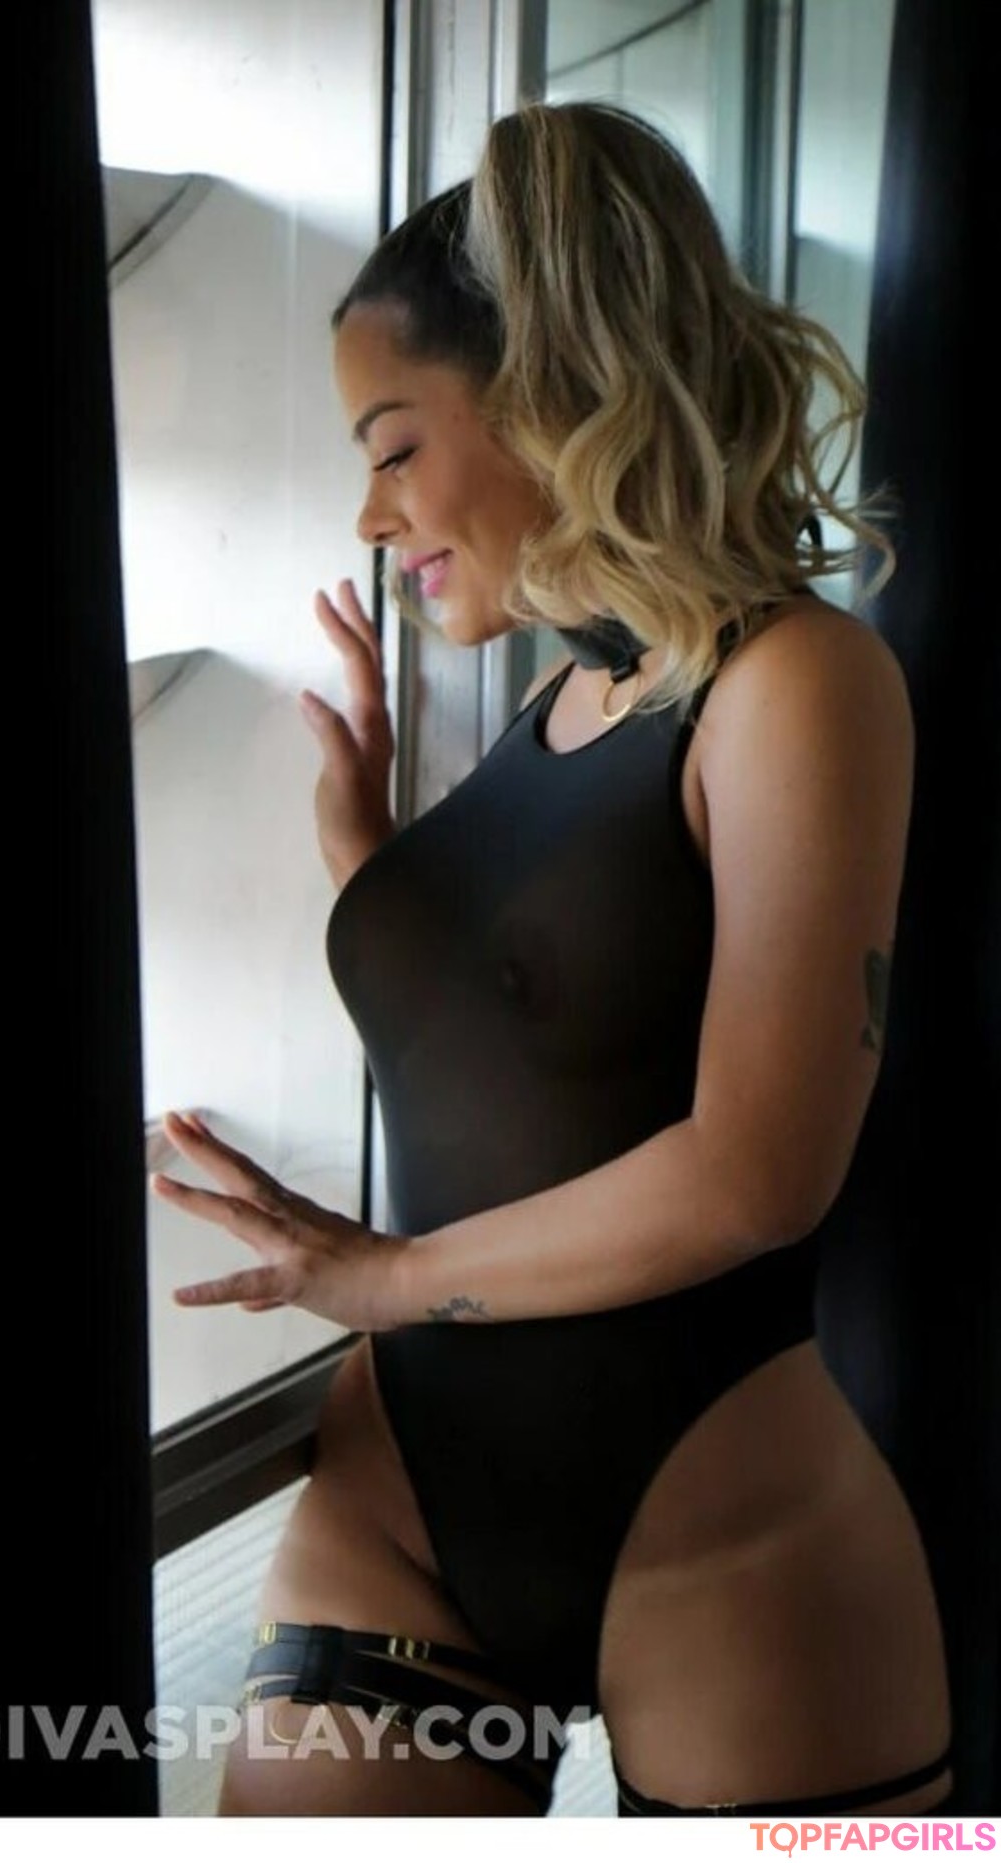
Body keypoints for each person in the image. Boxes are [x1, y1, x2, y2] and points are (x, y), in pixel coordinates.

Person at [152, 101, 954, 1818]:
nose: (371, 514)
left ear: (545, 398)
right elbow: (542, 1038)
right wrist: (368, 850)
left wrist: (379, 1280)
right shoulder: (565, 694)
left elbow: (758, 1172)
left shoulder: (801, 682)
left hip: (733, 1549)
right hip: (402, 1524)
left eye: (392, 447)